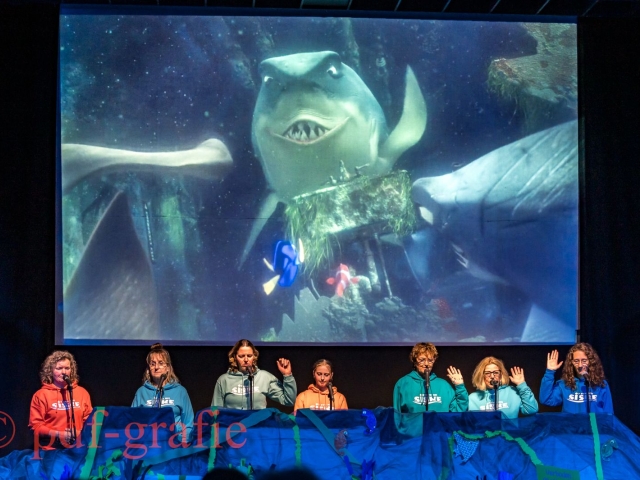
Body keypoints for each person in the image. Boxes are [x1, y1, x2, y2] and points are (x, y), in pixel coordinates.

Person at [29, 350, 93, 449]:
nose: (64, 372)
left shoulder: (82, 392)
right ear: (50, 371)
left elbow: (90, 421)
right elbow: (36, 426)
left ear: (72, 370)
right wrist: (59, 434)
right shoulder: (41, 395)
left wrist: (80, 432)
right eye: (59, 368)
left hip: (78, 448)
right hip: (52, 449)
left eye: (67, 368)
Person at [132, 343, 194, 443]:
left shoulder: (180, 391)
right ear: (148, 368)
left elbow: (188, 424)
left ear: (168, 367)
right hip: (147, 445)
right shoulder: (141, 392)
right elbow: (132, 422)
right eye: (153, 364)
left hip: (174, 445)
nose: (156, 367)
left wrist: (181, 445)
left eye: (161, 363)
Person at [212, 339, 297, 410]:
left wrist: (287, 375)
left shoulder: (264, 377)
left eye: (249, 356)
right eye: (241, 356)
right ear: (235, 357)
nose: (246, 359)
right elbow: (215, 411)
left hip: (258, 424)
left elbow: (289, 401)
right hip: (233, 424)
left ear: (254, 356)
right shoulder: (224, 380)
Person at [393, 342, 468, 413]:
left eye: (430, 360)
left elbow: (458, 413)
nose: (426, 364)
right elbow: (396, 415)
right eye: (422, 360)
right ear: (414, 361)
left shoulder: (444, 386)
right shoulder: (403, 384)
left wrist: (460, 386)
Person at [540, 343, 613, 414]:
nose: (580, 365)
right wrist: (550, 372)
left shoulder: (601, 384)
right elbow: (546, 399)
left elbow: (608, 413)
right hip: (571, 422)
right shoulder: (565, 384)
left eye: (584, 361)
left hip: (593, 422)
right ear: (571, 362)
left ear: (590, 361)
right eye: (576, 361)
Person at [468, 356, 538, 419]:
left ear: (501, 374)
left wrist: (522, 385)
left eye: (496, 372)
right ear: (481, 376)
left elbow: (531, 410)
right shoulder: (473, 398)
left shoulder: (512, 392)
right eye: (487, 373)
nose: (492, 376)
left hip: (509, 430)